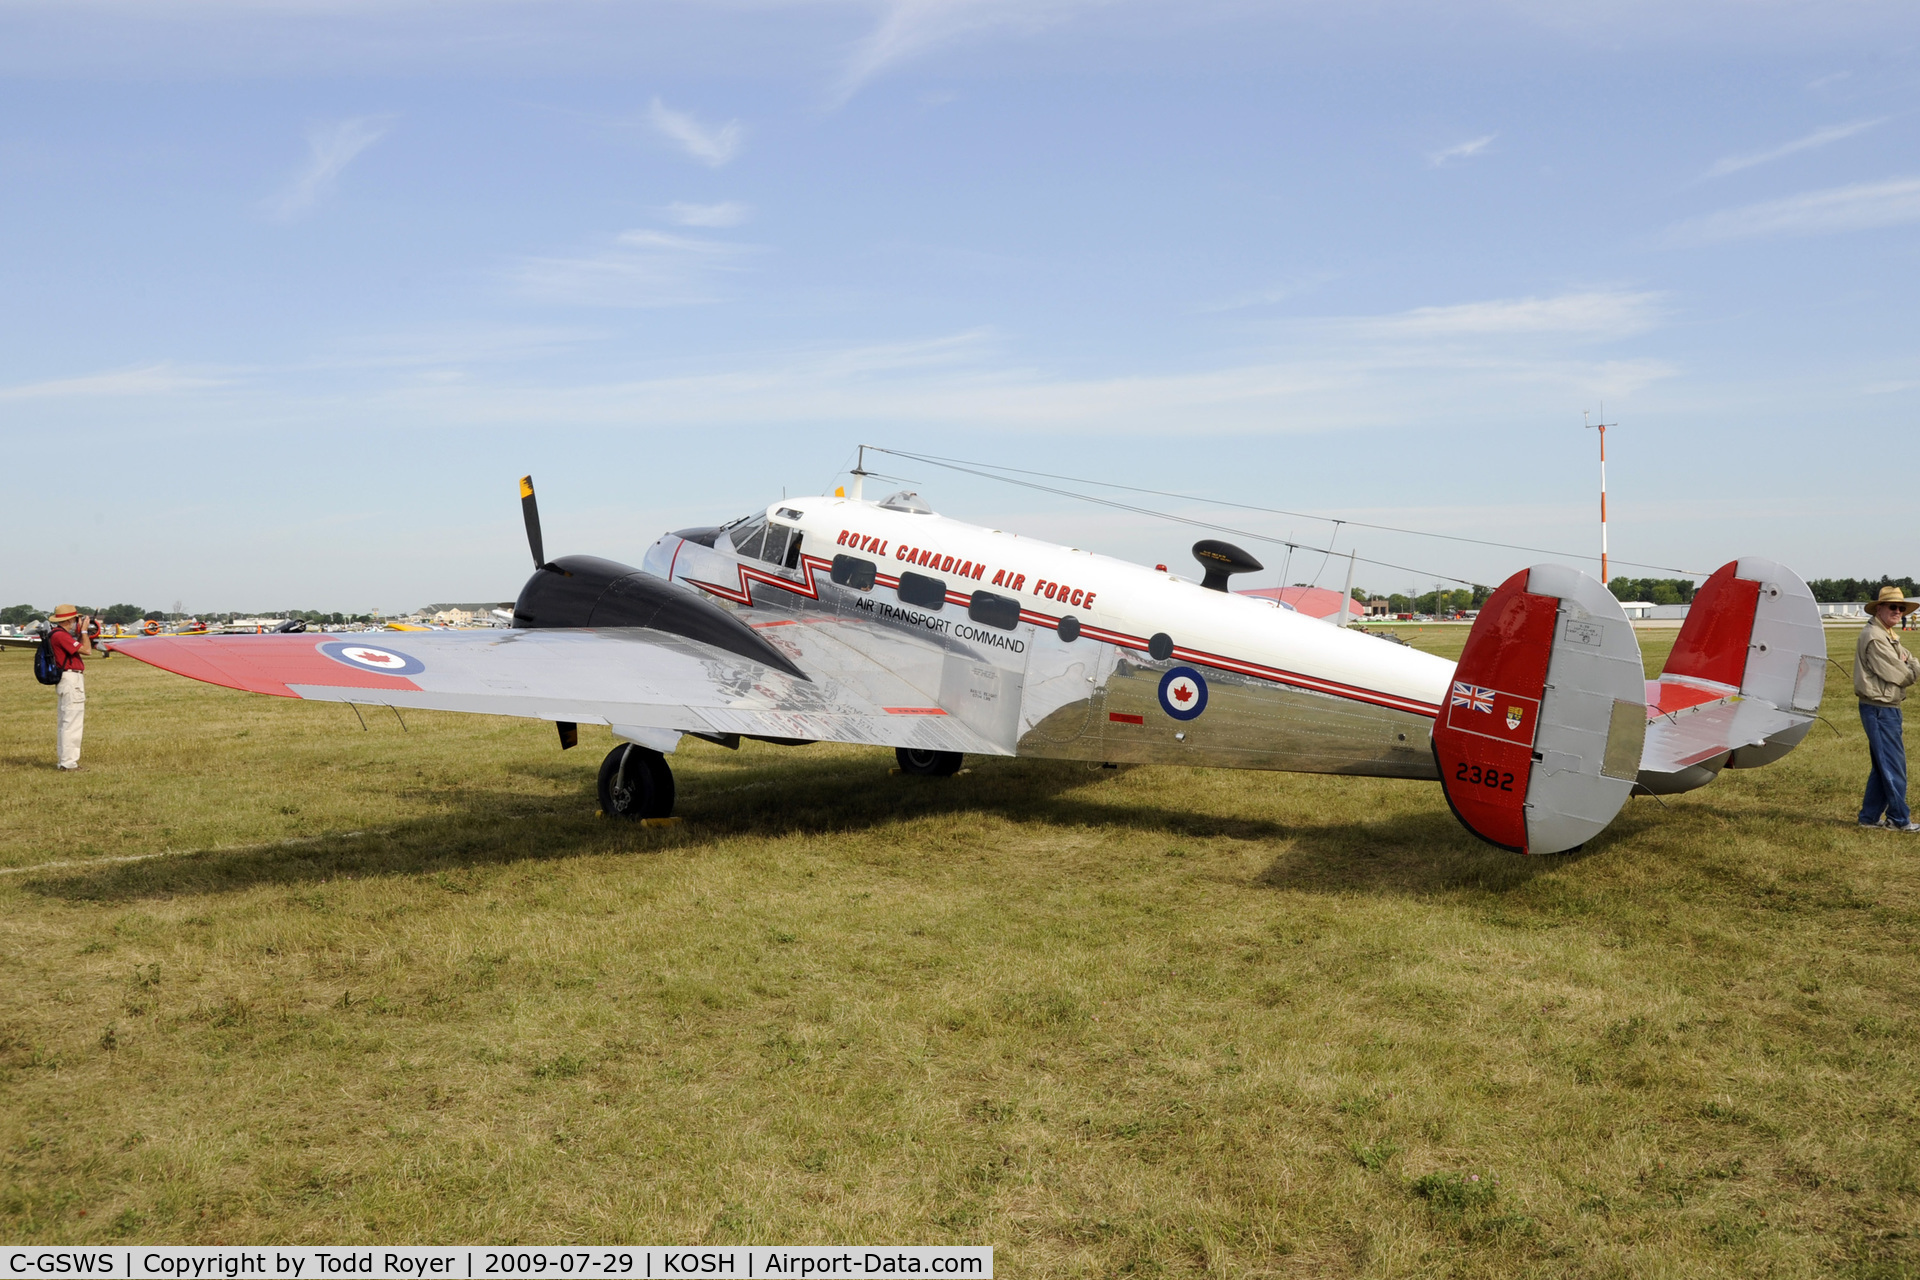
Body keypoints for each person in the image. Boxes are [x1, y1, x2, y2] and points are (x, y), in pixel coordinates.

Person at [1856, 587, 1920, 830]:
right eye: (1892, 606)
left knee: (1883, 766)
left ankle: (1869, 818)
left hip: (1886, 707)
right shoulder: (1875, 636)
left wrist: (1909, 664)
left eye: (1901, 607)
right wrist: (1909, 667)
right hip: (1879, 708)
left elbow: (1910, 659)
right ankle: (1898, 818)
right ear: (1879, 608)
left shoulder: (1888, 634)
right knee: (1894, 765)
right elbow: (1902, 674)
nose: (1897, 611)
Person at [47, 604, 95, 772]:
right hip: (70, 678)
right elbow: (87, 650)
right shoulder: (61, 636)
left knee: (65, 721)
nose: (78, 621)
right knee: (72, 722)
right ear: (69, 620)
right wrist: (83, 632)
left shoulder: (56, 634)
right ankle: (69, 763)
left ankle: (64, 761)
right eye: (76, 619)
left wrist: (79, 634)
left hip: (65, 679)